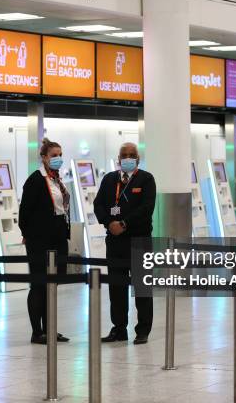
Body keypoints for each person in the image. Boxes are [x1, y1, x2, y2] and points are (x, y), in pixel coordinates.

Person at [93, 142, 156, 345]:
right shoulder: (109, 179)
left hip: (140, 241)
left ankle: (143, 330)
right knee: (116, 288)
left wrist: (124, 223)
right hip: (115, 242)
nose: (127, 158)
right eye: (124, 155)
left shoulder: (146, 179)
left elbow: (147, 208)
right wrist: (108, 222)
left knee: (142, 288)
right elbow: (98, 204)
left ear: (138, 158)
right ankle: (119, 329)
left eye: (132, 155)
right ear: (118, 158)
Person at [19, 138, 71, 345]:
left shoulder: (56, 179)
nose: (57, 158)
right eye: (53, 155)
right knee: (39, 285)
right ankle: (37, 331)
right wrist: (29, 233)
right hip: (40, 239)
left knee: (53, 284)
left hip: (58, 236)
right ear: (44, 158)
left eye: (60, 155)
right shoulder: (36, 180)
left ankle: (50, 329)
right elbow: (25, 212)